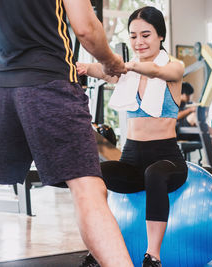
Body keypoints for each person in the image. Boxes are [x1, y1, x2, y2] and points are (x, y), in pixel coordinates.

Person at [0, 1, 134, 267]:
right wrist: (110, 62)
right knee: (88, 189)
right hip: (50, 82)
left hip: (3, 86)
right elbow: (86, 29)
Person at [77, 6, 187, 267]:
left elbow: (159, 72)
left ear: (160, 35)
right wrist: (79, 67)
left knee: (155, 174)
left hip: (167, 160)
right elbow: (97, 69)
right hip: (132, 159)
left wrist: (124, 66)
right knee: (93, 176)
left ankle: (152, 257)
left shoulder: (174, 67)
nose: (139, 42)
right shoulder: (125, 72)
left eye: (146, 35)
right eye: (134, 36)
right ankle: (99, 250)